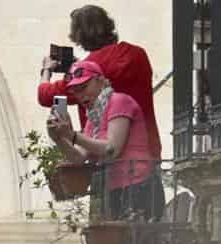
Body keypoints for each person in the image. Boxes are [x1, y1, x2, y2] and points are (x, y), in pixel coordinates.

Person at [36, 6, 158, 157]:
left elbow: (45, 95)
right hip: (146, 150)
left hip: (104, 156)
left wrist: (46, 70)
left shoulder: (92, 72)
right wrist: (81, 68)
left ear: (79, 36)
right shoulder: (138, 54)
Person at [48, 59, 161, 221]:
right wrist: (59, 138)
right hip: (116, 188)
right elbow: (78, 158)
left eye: (83, 87)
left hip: (139, 185)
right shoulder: (93, 116)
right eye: (75, 91)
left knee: (135, 242)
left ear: (100, 81)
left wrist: (72, 135)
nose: (80, 95)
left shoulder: (119, 101)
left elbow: (112, 149)